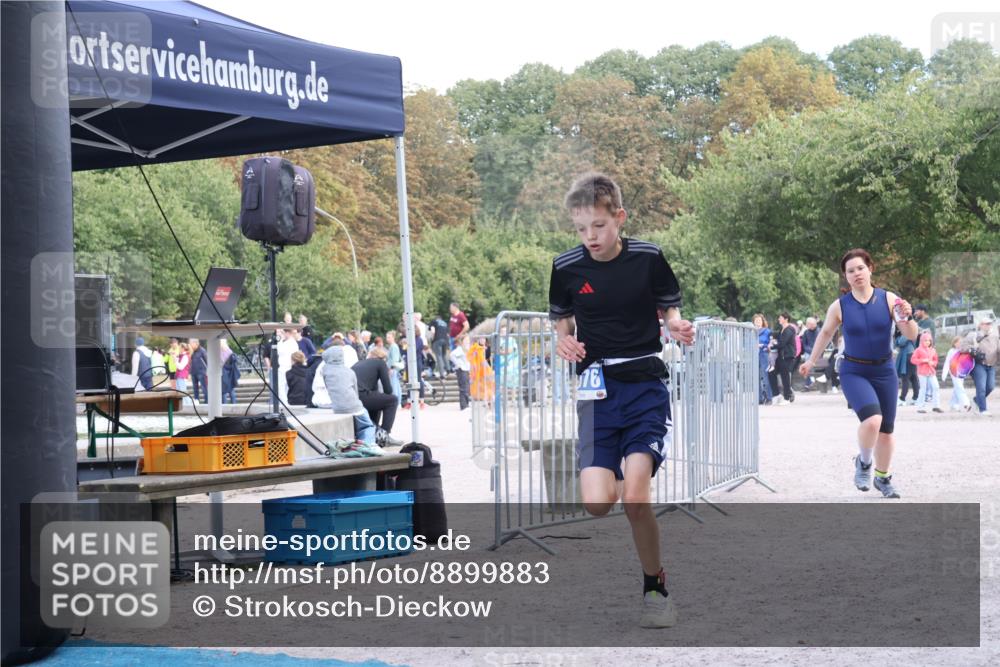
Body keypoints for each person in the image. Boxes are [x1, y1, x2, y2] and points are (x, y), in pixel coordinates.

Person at [549, 172, 694, 628]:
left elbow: (670, 308)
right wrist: (563, 342)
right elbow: (562, 321)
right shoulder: (566, 266)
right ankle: (612, 470)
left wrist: (675, 324)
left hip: (644, 386)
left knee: (635, 499)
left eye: (598, 225)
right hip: (596, 392)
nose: (589, 236)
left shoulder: (648, 257)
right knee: (596, 504)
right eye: (580, 228)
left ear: (619, 218)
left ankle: (656, 587)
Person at [799, 248, 918, 499]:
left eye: (860, 268)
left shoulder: (889, 299)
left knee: (886, 430)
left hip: (884, 370)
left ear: (870, 269)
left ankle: (883, 479)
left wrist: (908, 316)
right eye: (850, 271)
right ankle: (864, 463)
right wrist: (810, 361)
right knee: (872, 420)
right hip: (854, 370)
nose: (856, 274)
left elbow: (911, 334)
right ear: (846, 276)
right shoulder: (840, 306)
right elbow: (825, 334)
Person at [319, 345, 377, 445]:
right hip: (354, 406)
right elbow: (356, 392)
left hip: (337, 408)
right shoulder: (350, 372)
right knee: (368, 426)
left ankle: (359, 442)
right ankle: (367, 445)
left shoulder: (325, 371)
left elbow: (329, 389)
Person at [352, 347, 402, 446]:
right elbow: (388, 390)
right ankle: (383, 435)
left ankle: (375, 433)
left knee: (377, 400)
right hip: (362, 395)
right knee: (392, 400)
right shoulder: (380, 363)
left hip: (352, 397)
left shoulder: (359, 363)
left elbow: (373, 390)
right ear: (382, 358)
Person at [963, 315, 998, 416]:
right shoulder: (972, 335)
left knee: (990, 387)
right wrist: (971, 349)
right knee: (981, 387)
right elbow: (963, 346)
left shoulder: (995, 336)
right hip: (978, 364)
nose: (988, 325)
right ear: (980, 325)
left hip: (991, 365)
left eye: (989, 323)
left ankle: (976, 400)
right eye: (986, 324)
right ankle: (983, 410)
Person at [910, 331, 942, 413]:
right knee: (923, 389)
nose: (928, 342)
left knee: (936, 387)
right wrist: (923, 360)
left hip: (931, 372)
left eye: (929, 340)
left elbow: (935, 360)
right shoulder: (918, 350)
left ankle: (936, 406)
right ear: (921, 341)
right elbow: (913, 360)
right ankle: (920, 407)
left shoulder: (933, 350)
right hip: (922, 372)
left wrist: (933, 363)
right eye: (926, 340)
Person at [769, 313, 796, 404]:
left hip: (787, 356)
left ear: (786, 319)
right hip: (781, 356)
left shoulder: (789, 330)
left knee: (785, 377)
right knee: (771, 372)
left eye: (780, 318)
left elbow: (782, 343)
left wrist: (772, 346)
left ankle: (787, 398)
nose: (778, 319)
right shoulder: (782, 329)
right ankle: (777, 395)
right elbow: (778, 341)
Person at [942, 336, 972, 412]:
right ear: (954, 343)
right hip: (953, 371)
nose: (960, 344)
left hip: (961, 372)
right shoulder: (951, 351)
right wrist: (944, 374)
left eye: (961, 342)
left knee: (957, 388)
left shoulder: (963, 351)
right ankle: (966, 403)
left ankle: (953, 404)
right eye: (958, 342)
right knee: (959, 387)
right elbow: (947, 362)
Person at [895, 327, 919, 406]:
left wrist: (901, 335)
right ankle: (916, 398)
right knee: (913, 378)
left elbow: (901, 342)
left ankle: (902, 399)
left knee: (906, 378)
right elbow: (898, 343)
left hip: (908, 357)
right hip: (910, 356)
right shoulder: (910, 332)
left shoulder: (908, 331)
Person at [752, 314, 772, 405]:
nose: (758, 322)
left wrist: (763, 345)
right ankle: (759, 398)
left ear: (763, 322)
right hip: (754, 355)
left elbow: (770, 344)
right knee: (755, 377)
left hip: (764, 354)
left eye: (759, 321)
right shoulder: (751, 331)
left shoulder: (767, 331)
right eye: (756, 321)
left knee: (765, 376)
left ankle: (769, 397)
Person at [450, 333, 472, 410]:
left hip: (467, 369)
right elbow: (452, 355)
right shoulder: (459, 349)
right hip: (462, 370)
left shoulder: (468, 348)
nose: (468, 342)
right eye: (466, 340)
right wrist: (459, 364)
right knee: (463, 388)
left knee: (467, 387)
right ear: (462, 341)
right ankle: (463, 406)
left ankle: (466, 403)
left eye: (468, 340)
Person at [385, 331, 404, 406]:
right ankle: (398, 402)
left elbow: (394, 359)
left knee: (394, 386)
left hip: (393, 368)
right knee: (396, 385)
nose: (387, 339)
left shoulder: (393, 346)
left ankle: (396, 403)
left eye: (389, 337)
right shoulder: (393, 346)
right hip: (394, 368)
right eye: (387, 337)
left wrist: (391, 368)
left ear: (393, 338)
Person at [799, 317, 819, 390]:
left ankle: (808, 383)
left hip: (817, 352)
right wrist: (810, 350)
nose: (807, 325)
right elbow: (804, 345)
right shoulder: (806, 332)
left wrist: (814, 352)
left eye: (809, 324)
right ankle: (810, 380)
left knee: (809, 360)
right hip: (808, 352)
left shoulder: (819, 331)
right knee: (807, 359)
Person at [220, 339, 240, 404]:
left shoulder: (221, 353)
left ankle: (224, 406)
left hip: (224, 374)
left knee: (223, 391)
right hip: (231, 374)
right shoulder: (230, 352)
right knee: (231, 390)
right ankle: (234, 404)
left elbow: (220, 363)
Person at [189, 338, 208, 404]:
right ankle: (196, 401)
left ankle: (207, 402)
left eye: (191, 344)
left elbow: (207, 361)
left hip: (201, 372)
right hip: (193, 372)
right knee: (195, 388)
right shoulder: (192, 351)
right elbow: (190, 361)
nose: (190, 345)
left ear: (196, 343)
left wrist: (207, 372)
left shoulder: (202, 351)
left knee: (204, 388)